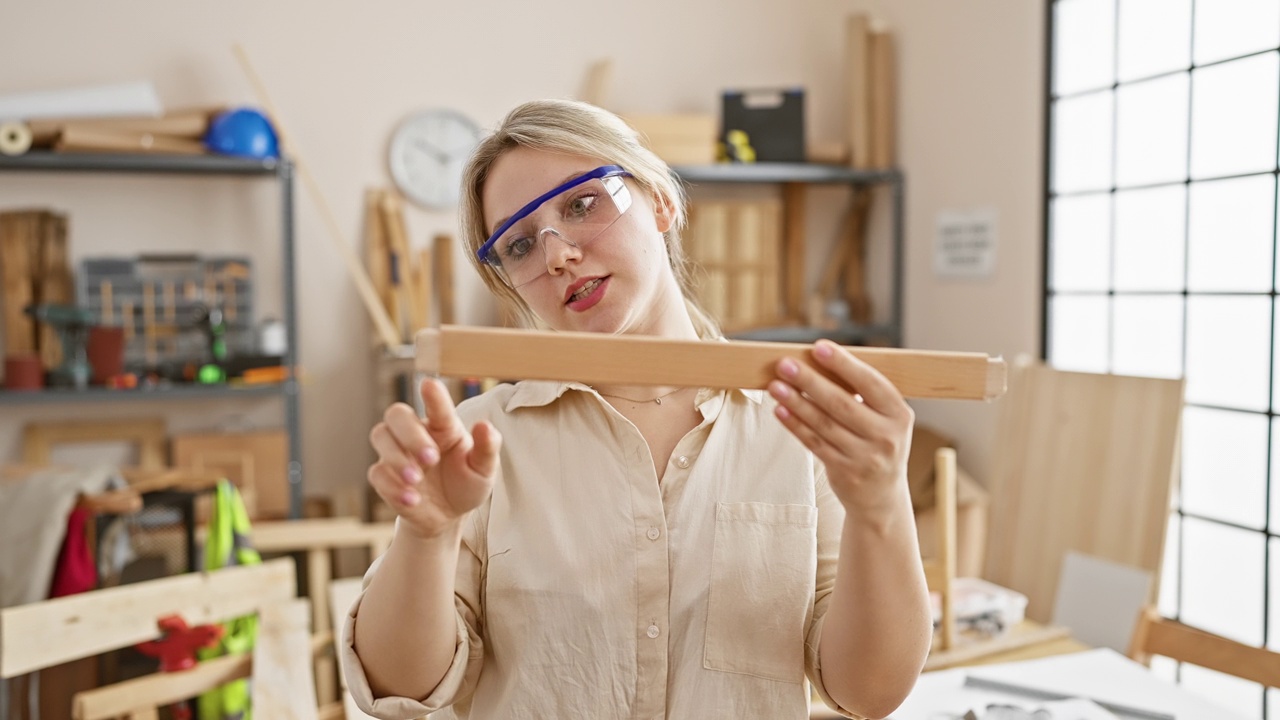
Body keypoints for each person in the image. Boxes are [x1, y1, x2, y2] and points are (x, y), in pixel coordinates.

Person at [343, 99, 931, 720]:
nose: (557, 255)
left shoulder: (800, 427)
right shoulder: (478, 442)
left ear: (660, 202)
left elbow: (871, 693)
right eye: (517, 245)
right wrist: (427, 535)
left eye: (580, 204)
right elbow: (400, 689)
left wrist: (881, 505)